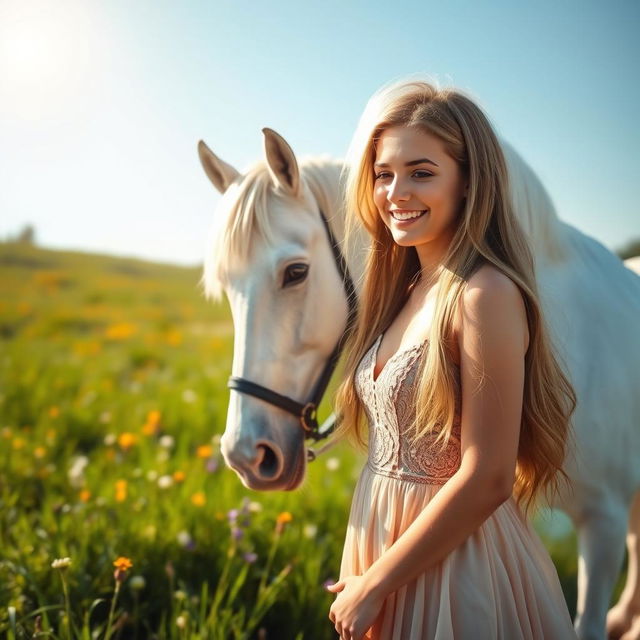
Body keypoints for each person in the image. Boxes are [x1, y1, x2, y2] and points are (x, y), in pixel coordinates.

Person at [325, 78, 579, 640]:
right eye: (383, 174)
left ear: (468, 182)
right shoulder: (406, 288)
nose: (395, 192)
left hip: (455, 563)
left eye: (421, 172)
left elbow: (488, 477)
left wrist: (377, 583)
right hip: (385, 542)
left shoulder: (484, 294)